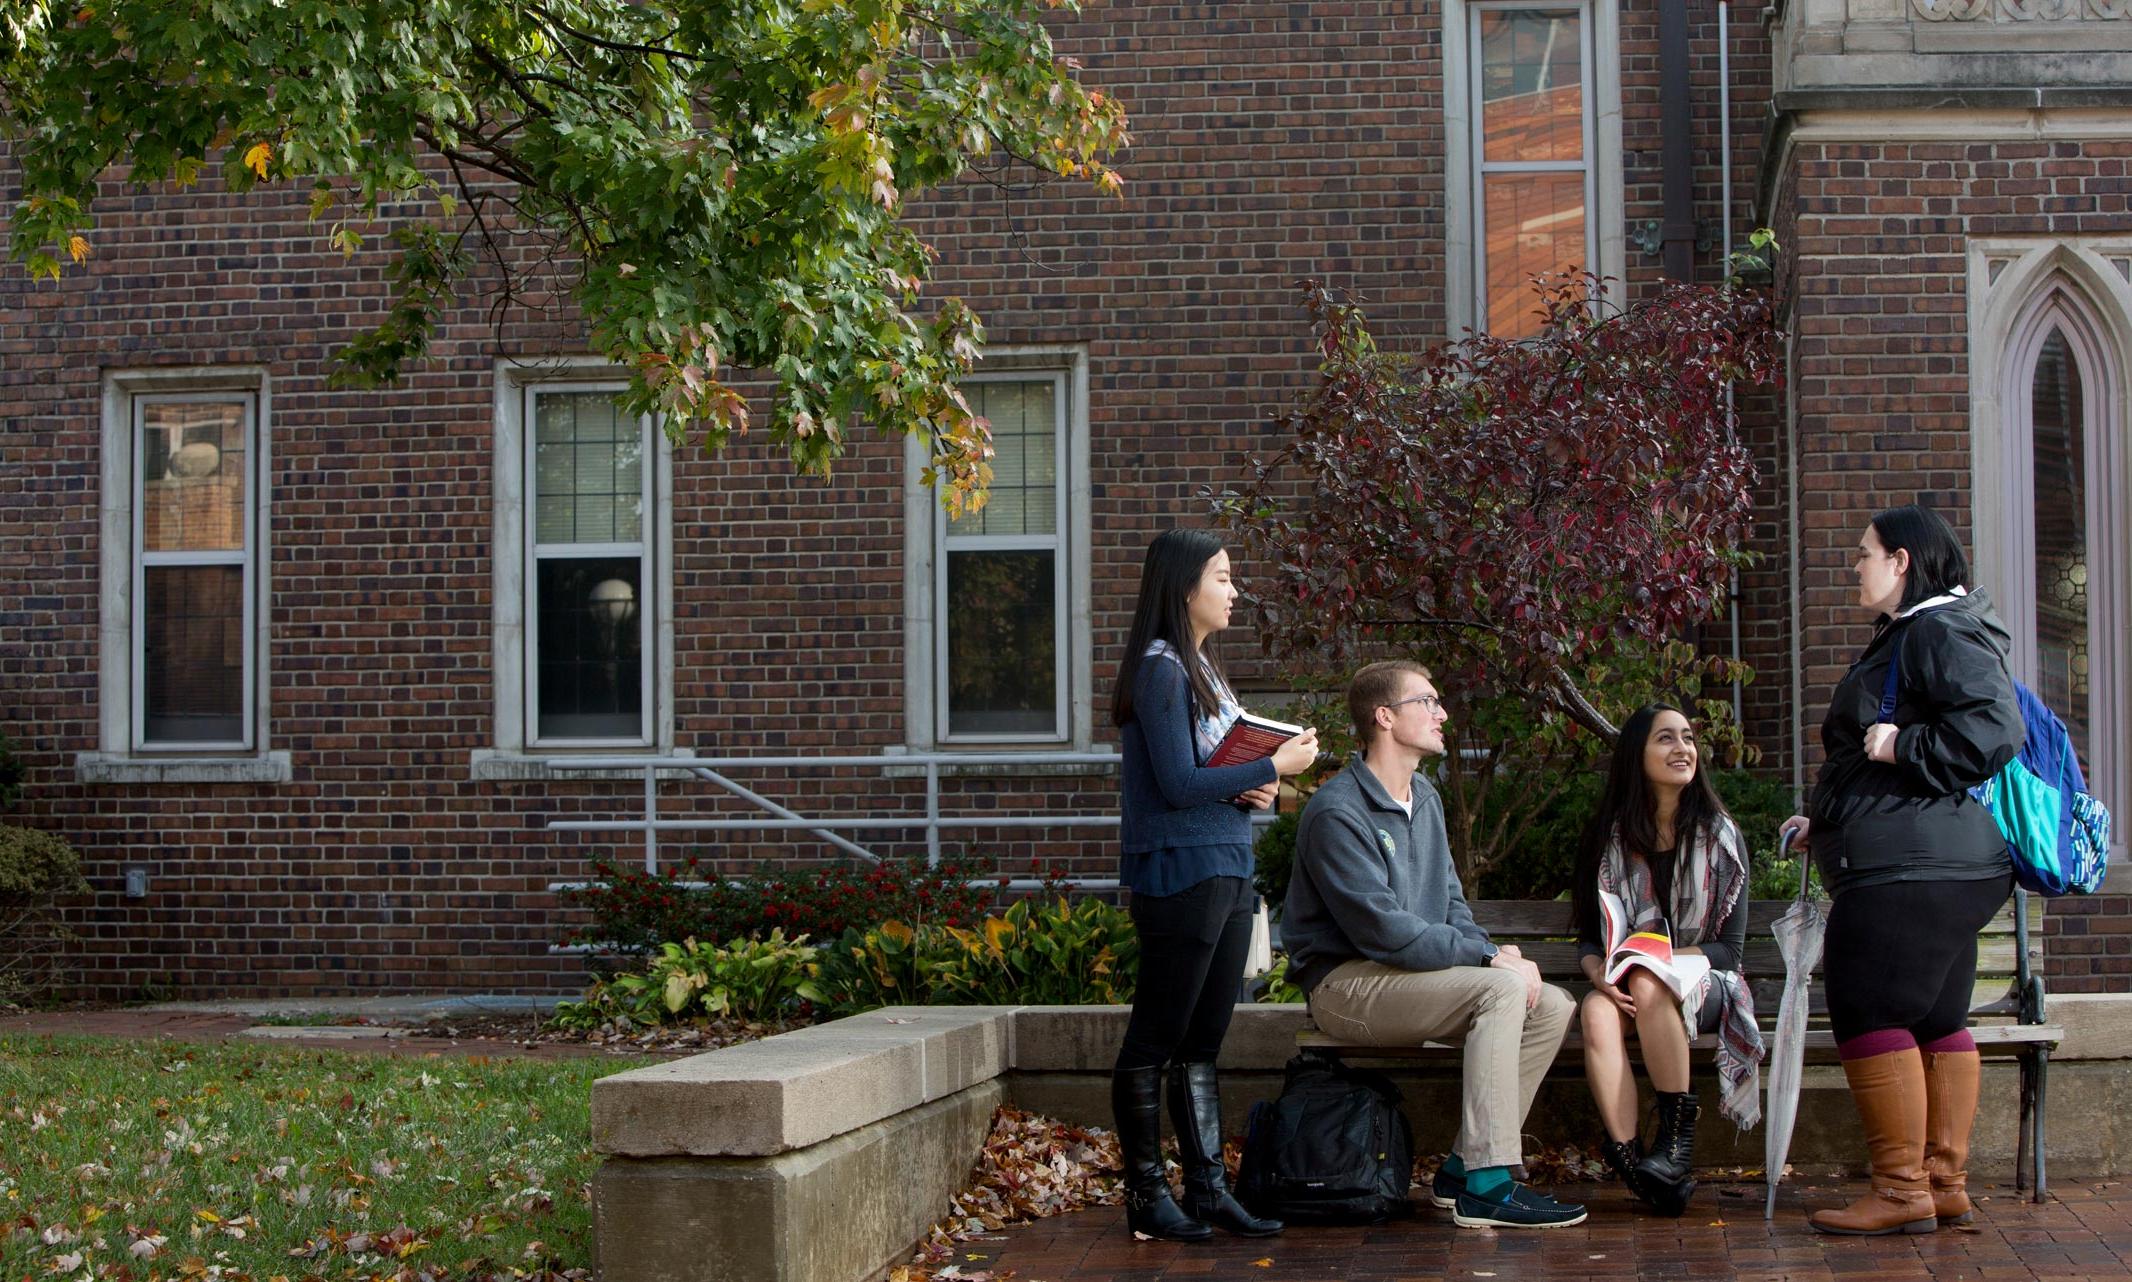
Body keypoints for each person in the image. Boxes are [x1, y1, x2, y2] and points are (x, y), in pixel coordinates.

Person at [1781, 503, 2023, 1236]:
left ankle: (1900, 1190)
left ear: (1902, 562)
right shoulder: (1925, 631)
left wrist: (1900, 749)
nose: (1854, 566)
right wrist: (1825, 818)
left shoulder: (1937, 630)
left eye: (1864, 553)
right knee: (1937, 1017)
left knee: (1867, 1009)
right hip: (1940, 861)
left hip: (1909, 868)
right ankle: (1943, 1183)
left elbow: (1994, 729)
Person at [1282, 660, 1586, 1230]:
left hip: (1413, 981)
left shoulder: (1425, 798)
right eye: (1427, 701)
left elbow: (1451, 904)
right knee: (1500, 990)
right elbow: (1384, 931)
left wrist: (1493, 952)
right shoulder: (1336, 812)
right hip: (1346, 984)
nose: (1442, 712)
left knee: (1551, 1006)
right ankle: (1490, 1184)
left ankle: (1461, 1169)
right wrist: (1491, 958)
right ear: (1385, 717)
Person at [1110, 528, 1320, 1243]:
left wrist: (1254, 791)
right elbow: (1174, 785)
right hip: (1179, 870)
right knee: (1153, 1041)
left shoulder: (1205, 672)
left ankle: (1206, 1190)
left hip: (1227, 866)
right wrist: (1271, 771)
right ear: (1184, 587)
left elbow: (1207, 779)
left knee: (1203, 1044)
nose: (1235, 591)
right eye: (1224, 578)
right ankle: (1146, 1196)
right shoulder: (1160, 670)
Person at [1571, 703, 1763, 1217]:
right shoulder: (1606, 838)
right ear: (1637, 754)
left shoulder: (1720, 837)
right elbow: (1591, 940)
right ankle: (1640, 1168)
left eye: (1688, 738)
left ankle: (1676, 1140)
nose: (1683, 749)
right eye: (1666, 739)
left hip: (1709, 982)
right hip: (1628, 983)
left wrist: (1645, 959)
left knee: (1651, 979)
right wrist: (1602, 976)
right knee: (1594, 1011)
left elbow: (1730, 950)